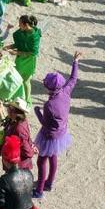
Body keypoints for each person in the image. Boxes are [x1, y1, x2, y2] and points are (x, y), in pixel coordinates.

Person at [33, 52, 80, 198]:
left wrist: (37, 112)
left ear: (48, 87)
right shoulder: (66, 91)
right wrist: (75, 62)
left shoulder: (49, 105)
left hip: (48, 136)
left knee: (41, 162)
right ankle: (49, 183)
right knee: (53, 157)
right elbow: (73, 78)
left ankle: (39, 190)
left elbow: (44, 123)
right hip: (61, 134)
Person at [7, 15, 41, 103]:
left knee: (26, 81)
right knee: (15, 78)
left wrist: (16, 52)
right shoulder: (22, 32)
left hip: (29, 61)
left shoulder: (34, 36)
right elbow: (19, 43)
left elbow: (33, 52)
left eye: (20, 24)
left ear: (26, 25)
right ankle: (14, 98)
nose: (18, 26)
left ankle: (27, 100)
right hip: (20, 60)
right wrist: (9, 46)